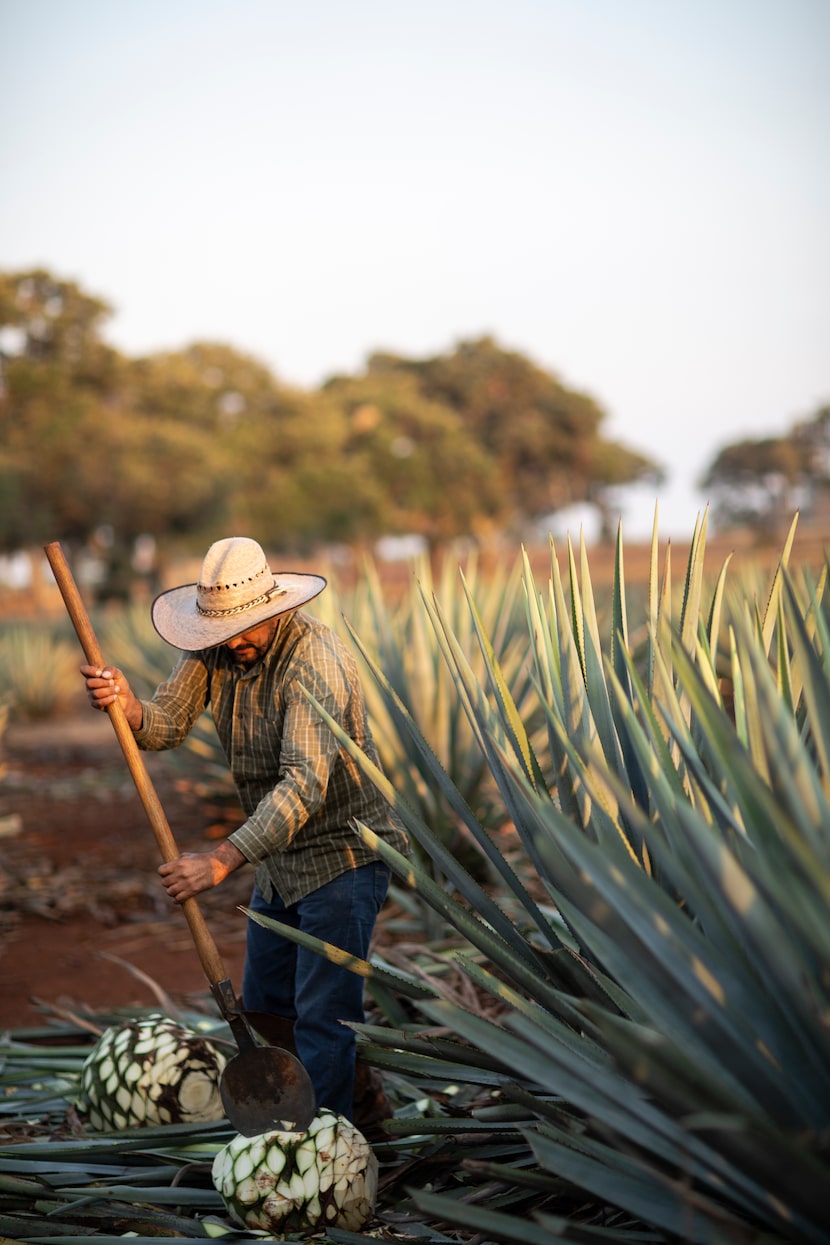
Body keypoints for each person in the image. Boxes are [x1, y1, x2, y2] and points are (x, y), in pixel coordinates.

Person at [82, 536, 407, 1122]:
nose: (235, 642)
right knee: (266, 1008)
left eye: (245, 628)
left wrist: (222, 860)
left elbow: (304, 785)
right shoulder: (217, 646)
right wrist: (127, 706)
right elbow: (165, 725)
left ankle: (323, 1149)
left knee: (322, 1015)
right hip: (279, 862)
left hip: (342, 857)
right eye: (222, 631)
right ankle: (356, 1113)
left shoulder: (314, 661)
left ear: (275, 607)